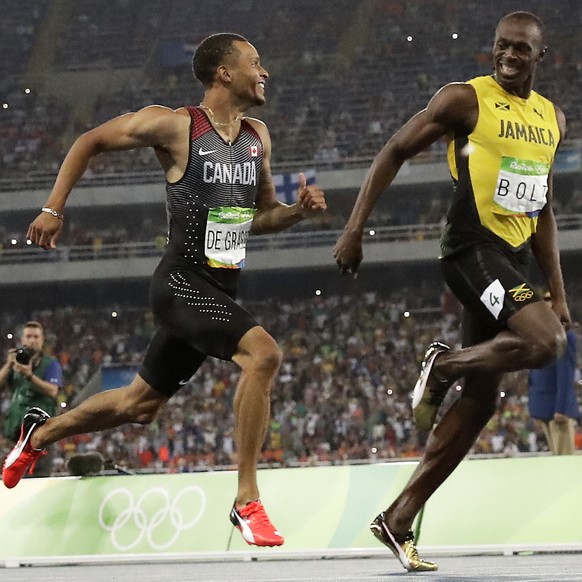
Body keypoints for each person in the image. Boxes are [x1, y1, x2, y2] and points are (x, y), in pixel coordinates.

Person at [1, 33, 327, 548]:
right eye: (255, 63)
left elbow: (255, 218)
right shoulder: (177, 126)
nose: (264, 73)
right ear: (223, 72)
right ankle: (246, 500)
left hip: (219, 287)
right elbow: (89, 140)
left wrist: (295, 212)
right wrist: (53, 208)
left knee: (139, 405)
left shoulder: (258, 136)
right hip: (179, 283)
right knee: (263, 355)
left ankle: (37, 434)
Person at [334, 12, 570, 572]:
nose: (508, 57)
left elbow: (542, 209)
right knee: (548, 344)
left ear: (542, 57)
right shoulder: (464, 100)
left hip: (509, 259)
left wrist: (557, 290)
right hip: (470, 252)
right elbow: (393, 149)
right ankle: (443, 367)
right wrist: (354, 228)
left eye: (520, 50)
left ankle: (397, 517)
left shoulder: (552, 118)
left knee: (484, 400)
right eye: (501, 47)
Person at [0, 321, 63, 477]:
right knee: (14, 482)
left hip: (40, 437)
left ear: (42, 340)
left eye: (36, 336)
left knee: (36, 482)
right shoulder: (15, 364)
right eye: (28, 336)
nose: (32, 340)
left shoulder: (50, 364)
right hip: (16, 437)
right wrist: (9, 364)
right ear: (22, 340)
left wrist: (29, 376)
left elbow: (53, 390)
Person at [528, 291, 579, 455]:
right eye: (544, 300)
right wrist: (535, 407)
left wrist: (562, 409)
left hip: (558, 410)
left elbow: (566, 374)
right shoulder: (540, 332)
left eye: (550, 299)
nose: (546, 304)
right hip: (544, 407)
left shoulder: (565, 334)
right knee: (555, 460)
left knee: (564, 459)